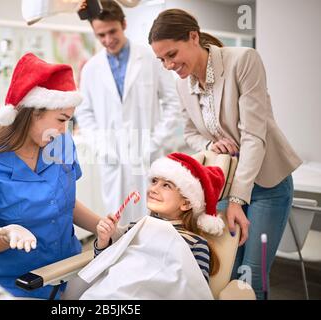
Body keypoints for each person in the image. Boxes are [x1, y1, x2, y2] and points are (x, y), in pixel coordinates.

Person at [148, 9, 302, 299]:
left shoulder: (243, 61)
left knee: (250, 278)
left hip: (266, 184)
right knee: (225, 273)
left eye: (172, 54)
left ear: (193, 37)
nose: (168, 65)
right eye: (162, 60)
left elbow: (254, 137)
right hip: (228, 183)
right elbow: (191, 132)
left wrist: (236, 200)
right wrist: (210, 146)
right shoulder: (183, 83)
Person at [0, 53, 101, 299]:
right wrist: (6, 236)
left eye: (68, 121)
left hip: (69, 272)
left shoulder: (62, 145)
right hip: (19, 285)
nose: (63, 130)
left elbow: (67, 204)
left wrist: (107, 229)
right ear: (33, 112)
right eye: (60, 120)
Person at [75, 0, 181, 226]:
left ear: (123, 24)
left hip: (148, 154)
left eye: (112, 31)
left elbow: (173, 102)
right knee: (118, 224)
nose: (107, 40)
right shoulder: (91, 68)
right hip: (113, 158)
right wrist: (102, 146)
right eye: (100, 35)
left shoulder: (151, 58)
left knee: (153, 220)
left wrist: (155, 142)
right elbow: (84, 113)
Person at [94, 152, 225, 283]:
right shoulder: (136, 228)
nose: (153, 189)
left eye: (166, 185)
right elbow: (102, 270)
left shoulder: (195, 244)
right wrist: (103, 241)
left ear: (186, 203)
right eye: (154, 181)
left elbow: (196, 292)